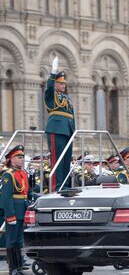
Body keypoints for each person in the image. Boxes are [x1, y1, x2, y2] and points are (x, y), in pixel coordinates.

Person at [1, 146, 33, 275]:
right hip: (14, 210)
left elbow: (28, 192)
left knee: (19, 240)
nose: (21, 160)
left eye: (22, 157)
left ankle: (19, 267)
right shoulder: (8, 174)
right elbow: (6, 197)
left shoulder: (23, 173)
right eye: (19, 157)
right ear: (11, 159)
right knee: (11, 239)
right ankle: (12, 268)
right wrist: (10, 215)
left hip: (23, 209)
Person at [45, 57, 76, 191]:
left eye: (64, 84)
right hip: (56, 129)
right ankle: (57, 186)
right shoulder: (51, 95)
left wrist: (74, 130)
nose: (63, 85)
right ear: (55, 84)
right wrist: (53, 73)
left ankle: (65, 185)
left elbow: (71, 115)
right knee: (57, 159)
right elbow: (49, 87)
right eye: (61, 83)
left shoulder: (67, 98)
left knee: (66, 159)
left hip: (67, 130)